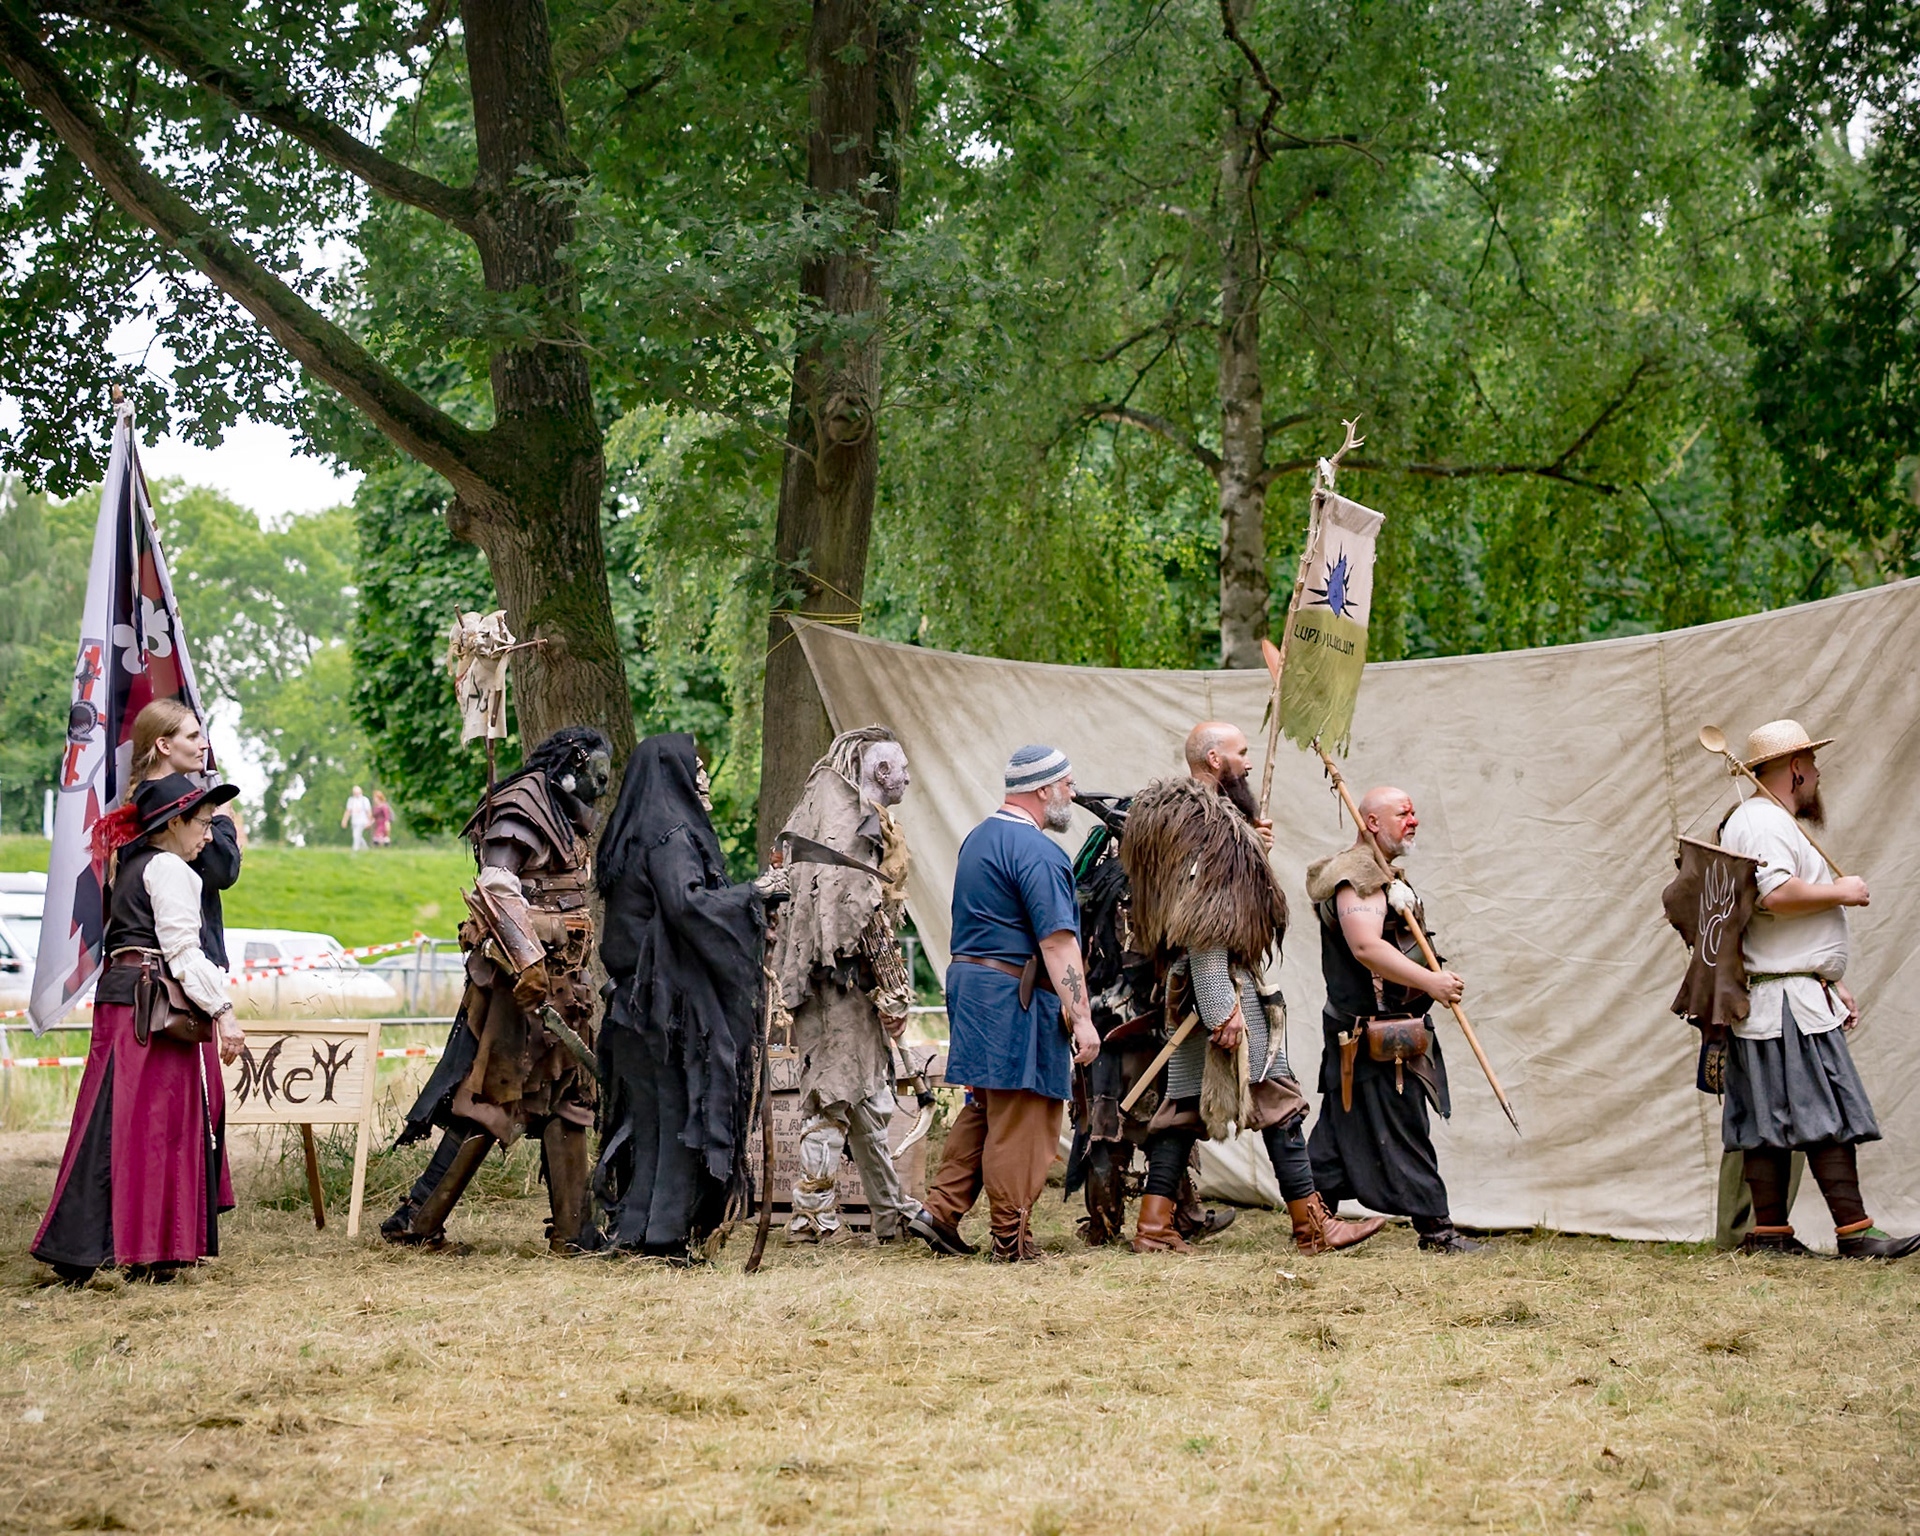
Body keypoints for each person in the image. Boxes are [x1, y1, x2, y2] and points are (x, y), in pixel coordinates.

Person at [1120, 723, 1383, 1255]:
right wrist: (1222, 1009)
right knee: (1278, 1099)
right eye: (1241, 753)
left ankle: (1154, 1228)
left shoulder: (1198, 825)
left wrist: (1250, 846)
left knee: (1183, 1109)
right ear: (1215, 759)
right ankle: (1313, 1228)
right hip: (1215, 988)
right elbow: (1205, 928)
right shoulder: (1207, 829)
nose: (1247, 762)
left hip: (1191, 989)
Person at [382, 728, 611, 1253]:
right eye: (595, 770)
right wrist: (528, 962)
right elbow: (497, 886)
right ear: (572, 764)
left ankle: (574, 1231)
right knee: (492, 1100)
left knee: (566, 1099)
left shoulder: (560, 810)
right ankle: (417, 1220)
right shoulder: (522, 806)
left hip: (565, 985)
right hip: (521, 985)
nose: (600, 784)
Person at [32, 774, 246, 1282]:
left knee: (108, 1122)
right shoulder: (171, 869)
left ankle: (89, 1249)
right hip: (151, 1009)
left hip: (122, 1000)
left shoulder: (131, 863)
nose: (210, 834)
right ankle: (151, 1250)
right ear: (173, 823)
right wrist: (224, 1012)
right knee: (155, 1131)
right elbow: (184, 953)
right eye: (201, 822)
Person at [1716, 720, 1916, 1259]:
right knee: (1821, 1113)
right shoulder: (1760, 822)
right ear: (1796, 768)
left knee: (1768, 1119)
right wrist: (1841, 893)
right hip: (1784, 1006)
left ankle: (1772, 1238)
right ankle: (1855, 1235)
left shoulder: (1762, 818)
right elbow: (1775, 895)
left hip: (1788, 995)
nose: (1819, 775)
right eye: (1813, 765)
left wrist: (1830, 979)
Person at [594, 735, 785, 1259]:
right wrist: (755, 895)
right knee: (679, 1120)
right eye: (695, 767)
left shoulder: (630, 834)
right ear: (672, 774)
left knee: (653, 1122)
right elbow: (686, 905)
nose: (703, 778)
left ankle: (639, 1231)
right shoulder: (672, 836)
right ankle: (664, 1238)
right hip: (666, 1009)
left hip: (631, 1002)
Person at [920, 745, 1101, 1262]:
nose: (1072, 792)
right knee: (1025, 1111)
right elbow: (1058, 944)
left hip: (974, 991)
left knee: (987, 1104)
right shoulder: (1039, 852)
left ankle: (941, 1212)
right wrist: (1082, 1019)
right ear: (1043, 789)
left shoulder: (979, 839)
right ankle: (1011, 1239)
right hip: (1013, 997)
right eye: (1066, 783)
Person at [771, 726, 949, 1251]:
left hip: (841, 988)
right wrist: (893, 993)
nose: (909, 777)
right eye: (901, 768)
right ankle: (811, 1219)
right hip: (841, 992)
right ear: (879, 771)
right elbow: (859, 912)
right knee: (832, 1099)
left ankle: (890, 1213)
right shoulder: (850, 826)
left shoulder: (830, 814)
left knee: (868, 1103)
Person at [1305, 785, 1480, 1253]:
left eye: (1414, 811)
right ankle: (1437, 1231)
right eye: (1403, 812)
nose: (1413, 819)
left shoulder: (1379, 874)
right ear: (1373, 822)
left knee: (1340, 1130)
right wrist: (1431, 982)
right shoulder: (1355, 878)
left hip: (1374, 1031)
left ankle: (1311, 1216)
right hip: (1372, 1035)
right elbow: (1366, 947)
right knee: (1403, 1126)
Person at [128, 700, 242, 973]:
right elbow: (223, 869)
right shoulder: (167, 805)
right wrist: (223, 820)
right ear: (164, 746)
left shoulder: (142, 799)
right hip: (179, 968)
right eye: (192, 736)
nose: (204, 744)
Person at [342, 785, 373, 851]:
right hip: (354, 821)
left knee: (356, 835)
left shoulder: (365, 800)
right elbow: (348, 811)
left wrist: (369, 821)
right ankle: (365, 849)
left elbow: (368, 811)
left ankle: (355, 849)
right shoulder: (351, 800)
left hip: (362, 821)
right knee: (358, 835)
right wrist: (344, 820)